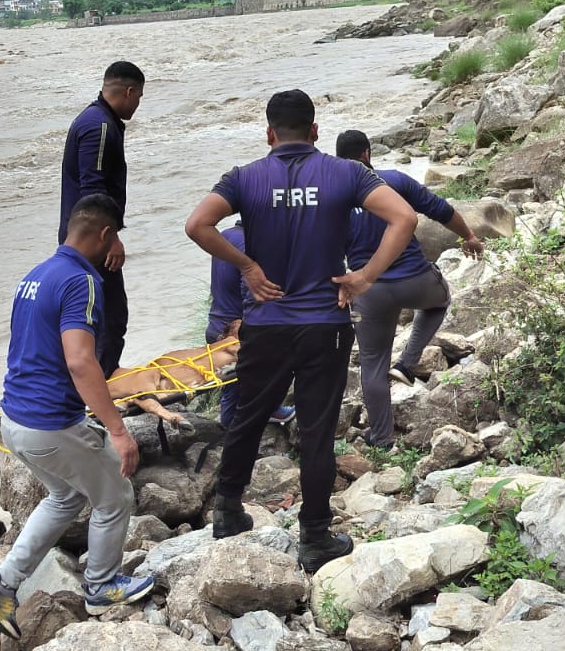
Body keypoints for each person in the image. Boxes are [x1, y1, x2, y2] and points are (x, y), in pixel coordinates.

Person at [183, 90, 418, 573]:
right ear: (315, 131)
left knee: (248, 417)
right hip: (323, 325)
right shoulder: (346, 172)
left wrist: (247, 266)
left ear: (269, 134)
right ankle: (314, 536)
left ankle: (227, 511)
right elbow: (405, 217)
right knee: (315, 430)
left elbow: (198, 225)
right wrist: (366, 276)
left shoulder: (244, 177)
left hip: (265, 323)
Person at [0, 194, 155, 638]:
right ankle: (103, 586)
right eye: (117, 240)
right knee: (115, 496)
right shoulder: (80, 280)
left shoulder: (35, 275)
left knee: (67, 496)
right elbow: (80, 361)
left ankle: (2, 584)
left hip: (14, 420)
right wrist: (117, 429)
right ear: (106, 235)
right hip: (49, 423)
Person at [336, 130, 486, 450]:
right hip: (416, 281)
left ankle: (381, 438)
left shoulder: (334, 197)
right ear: (366, 154)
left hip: (368, 290)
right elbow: (440, 209)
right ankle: (407, 361)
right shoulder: (395, 181)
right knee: (441, 298)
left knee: (373, 364)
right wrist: (469, 236)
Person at [59, 61, 145, 377]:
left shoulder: (97, 119)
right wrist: (111, 238)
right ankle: (103, 384)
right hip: (91, 242)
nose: (138, 104)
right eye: (139, 97)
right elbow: (92, 186)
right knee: (110, 316)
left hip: (84, 239)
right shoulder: (99, 127)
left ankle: (92, 383)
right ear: (128, 91)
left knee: (89, 316)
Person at [205, 218, 295, 430]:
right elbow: (253, 295)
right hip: (238, 330)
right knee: (281, 365)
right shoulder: (252, 245)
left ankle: (235, 423)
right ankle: (245, 426)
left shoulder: (225, 235)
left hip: (217, 323)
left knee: (232, 384)